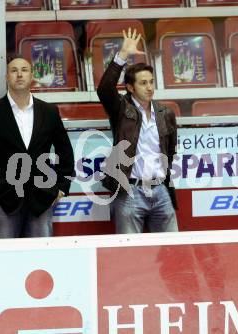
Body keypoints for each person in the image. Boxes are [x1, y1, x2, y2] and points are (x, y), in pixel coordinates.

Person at [0, 56, 74, 238]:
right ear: (7, 77)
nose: (19, 74)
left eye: (24, 70)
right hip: (3, 197)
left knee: (41, 257)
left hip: (42, 196)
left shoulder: (49, 111)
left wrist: (62, 186)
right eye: (14, 71)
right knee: (4, 257)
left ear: (32, 77)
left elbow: (65, 151)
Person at [97, 28, 178, 234]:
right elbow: (105, 89)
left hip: (161, 188)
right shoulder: (121, 109)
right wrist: (122, 55)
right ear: (130, 88)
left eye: (151, 82)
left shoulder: (165, 112)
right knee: (128, 254)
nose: (149, 87)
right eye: (143, 83)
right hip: (130, 190)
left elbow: (170, 151)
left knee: (172, 251)